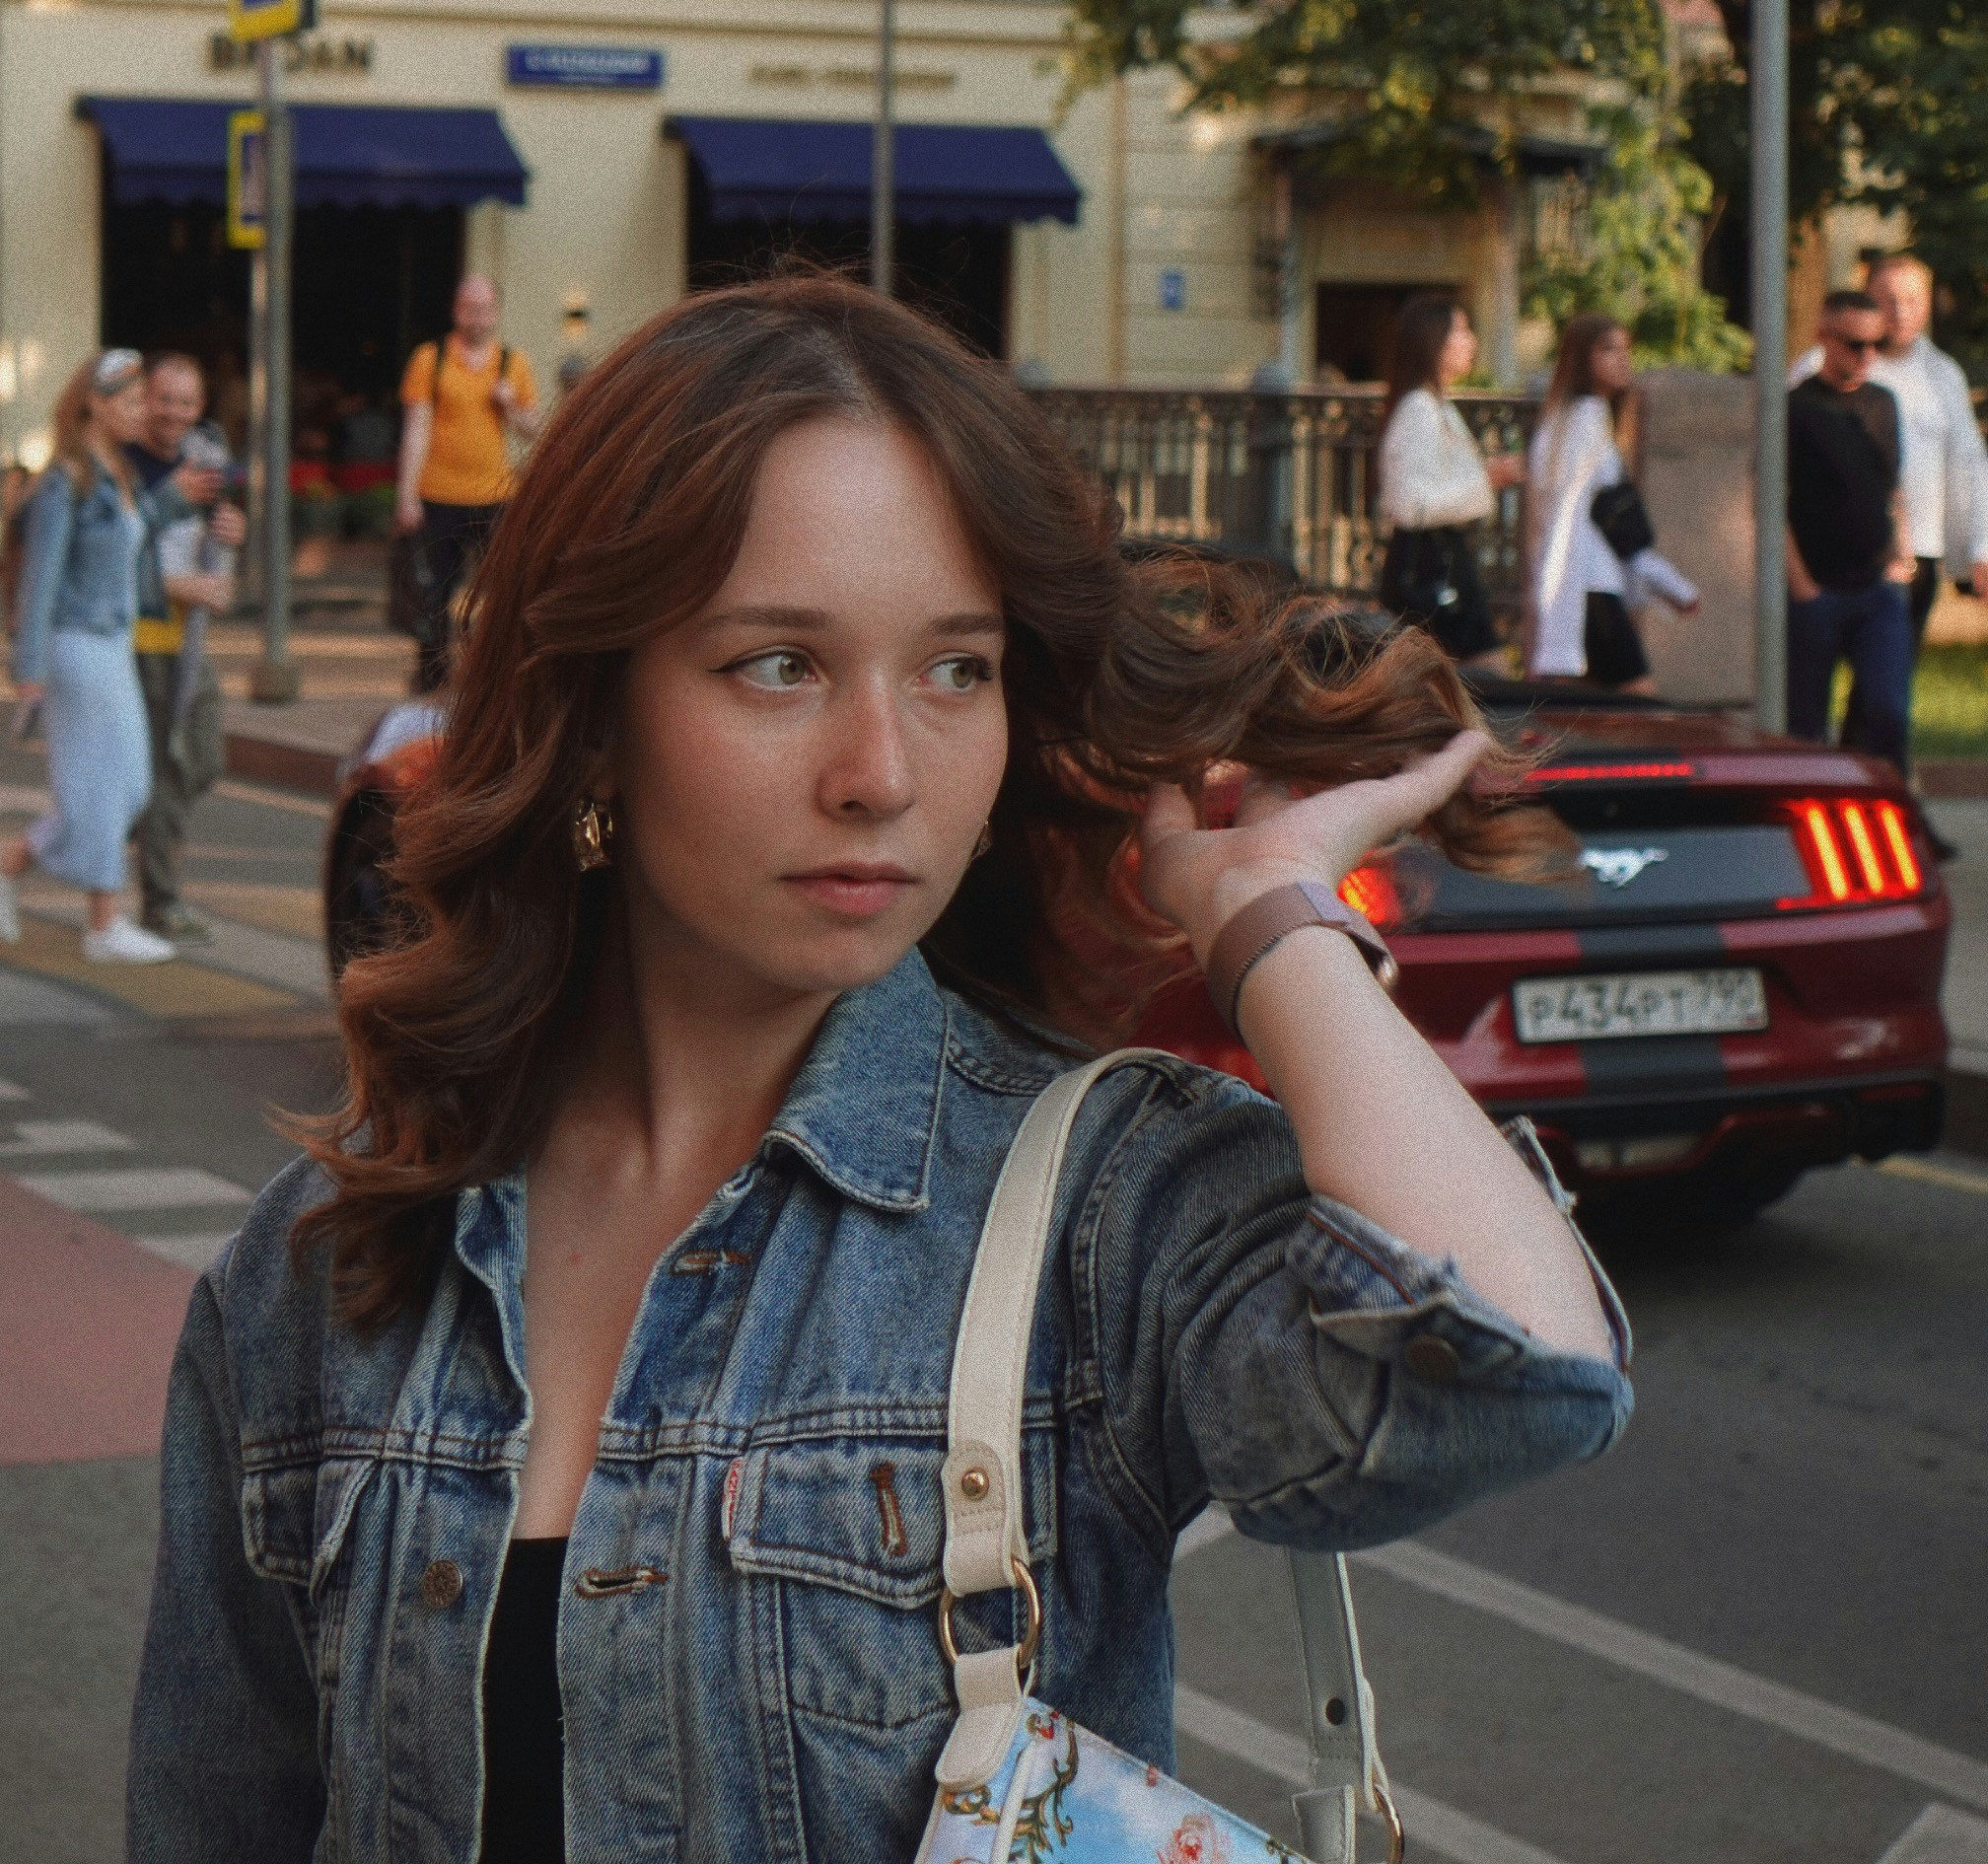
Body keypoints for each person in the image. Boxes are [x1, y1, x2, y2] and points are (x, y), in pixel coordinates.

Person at [130, 278, 1629, 1864]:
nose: (882, 774)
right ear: (593, 708)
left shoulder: (1094, 1204)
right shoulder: (329, 1268)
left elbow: (1521, 1374)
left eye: (955, 669)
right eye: (778, 665)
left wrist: (1268, 918)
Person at [1, 352, 202, 961]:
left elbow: (132, 543)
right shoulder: (68, 480)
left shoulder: (119, 474)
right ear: (97, 403)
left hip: (114, 642)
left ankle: (7, 864)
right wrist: (28, 671)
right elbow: (40, 579)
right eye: (134, 401)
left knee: (132, 786)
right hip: (75, 645)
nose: (144, 411)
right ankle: (102, 926)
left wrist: (174, 501)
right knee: (103, 789)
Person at [1793, 252, 1988, 706]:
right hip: (1827, 557)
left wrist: (1979, 548)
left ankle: (1876, 771)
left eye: (1914, 299)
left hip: (1915, 553)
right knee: (1809, 691)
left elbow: (1968, 464)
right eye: (1890, 299)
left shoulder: (1943, 375)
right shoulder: (1818, 369)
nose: (1901, 312)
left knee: (1885, 692)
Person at [130, 356, 249, 946]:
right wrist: (183, 586)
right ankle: (161, 899)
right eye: (163, 398)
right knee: (162, 771)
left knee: (204, 758)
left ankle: (131, 828)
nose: (172, 411)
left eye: (185, 402)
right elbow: (119, 561)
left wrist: (230, 538)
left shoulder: (201, 464)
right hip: (139, 640)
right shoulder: (126, 464)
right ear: (143, 399)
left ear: (199, 408)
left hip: (188, 640)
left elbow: (210, 543)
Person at [1526, 315, 1698, 688]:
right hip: (1589, 589)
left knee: (1591, 714)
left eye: (1625, 350)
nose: (1622, 360)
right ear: (1581, 358)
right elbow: (1570, 519)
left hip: (1590, 586)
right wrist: (1552, 606)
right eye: (1608, 349)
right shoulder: (1583, 421)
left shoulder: (1579, 419)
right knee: (1640, 704)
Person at [1787, 287, 1917, 764]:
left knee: (1888, 714)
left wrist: (1901, 556)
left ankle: (1895, 824)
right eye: (1854, 344)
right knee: (1805, 725)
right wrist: (1801, 584)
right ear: (1824, 337)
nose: (1867, 356)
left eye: (1876, 344)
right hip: (1818, 589)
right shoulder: (1796, 407)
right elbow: (1769, 501)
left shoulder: (1883, 403)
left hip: (1878, 588)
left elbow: (1892, 486)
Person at [394, 274, 541, 690]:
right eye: (469, 308)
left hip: (496, 495)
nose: (476, 317)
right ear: (456, 309)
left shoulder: (513, 363)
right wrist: (407, 496)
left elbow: (536, 430)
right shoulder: (430, 359)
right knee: (435, 594)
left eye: (484, 309)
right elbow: (416, 429)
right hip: (438, 495)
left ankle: (498, 672)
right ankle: (434, 677)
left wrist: (511, 406)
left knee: (506, 590)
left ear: (496, 311)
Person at [1375, 291, 1523, 664]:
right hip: (1430, 562)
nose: (1471, 341)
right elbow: (1410, 504)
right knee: (1487, 673)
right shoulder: (1419, 410)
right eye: (1462, 331)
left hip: (1442, 559)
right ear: (1433, 341)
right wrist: (1487, 480)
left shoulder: (1434, 406)